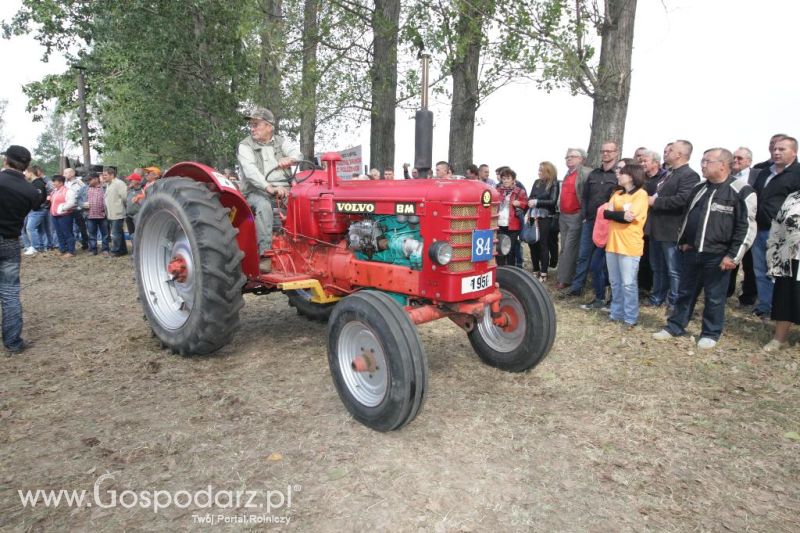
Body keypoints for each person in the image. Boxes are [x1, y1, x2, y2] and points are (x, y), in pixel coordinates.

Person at [653, 148, 756, 349]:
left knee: (715, 297)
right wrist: (684, 240)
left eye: (708, 161)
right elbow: (688, 215)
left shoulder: (742, 191)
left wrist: (733, 255)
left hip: (719, 255)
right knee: (685, 292)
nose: (703, 164)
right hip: (692, 251)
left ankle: (710, 332)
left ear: (723, 165)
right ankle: (675, 325)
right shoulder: (699, 188)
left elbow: (746, 227)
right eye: (702, 160)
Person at [237, 107, 302, 260]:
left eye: (256, 124)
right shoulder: (245, 145)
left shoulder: (280, 141)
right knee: (264, 206)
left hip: (284, 189)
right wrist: (270, 188)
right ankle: (265, 254)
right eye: (251, 125)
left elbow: (298, 154)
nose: (252, 128)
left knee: (303, 204)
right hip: (256, 190)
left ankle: (301, 248)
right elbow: (251, 172)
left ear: (269, 126)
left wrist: (290, 160)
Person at [646, 140, 701, 313]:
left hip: (671, 230)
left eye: (671, 150)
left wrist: (656, 201)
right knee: (657, 267)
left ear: (680, 154)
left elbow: (684, 199)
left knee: (674, 270)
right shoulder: (668, 173)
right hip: (656, 228)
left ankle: (675, 303)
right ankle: (657, 297)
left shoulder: (689, 175)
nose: (666, 152)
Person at [750, 136, 800, 318]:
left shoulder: (798, 174)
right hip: (760, 228)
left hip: (784, 233)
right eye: (774, 149)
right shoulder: (764, 172)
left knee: (780, 273)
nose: (776, 152)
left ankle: (780, 311)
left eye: (782, 149)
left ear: (794, 152)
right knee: (760, 270)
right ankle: (765, 306)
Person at [566, 141, 619, 309]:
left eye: (609, 151)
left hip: (609, 223)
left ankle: (605, 294)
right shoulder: (594, 174)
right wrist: (584, 215)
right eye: (603, 151)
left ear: (616, 153)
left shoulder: (617, 175)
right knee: (583, 255)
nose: (606, 154)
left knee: (603, 262)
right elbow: (586, 196)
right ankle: (576, 288)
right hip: (590, 221)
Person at [0, 146, 41, 353]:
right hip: (10, 241)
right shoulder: (30, 191)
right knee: (10, 294)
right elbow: (37, 205)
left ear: (6, 160)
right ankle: (13, 343)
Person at [603, 163, 649, 328]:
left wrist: (615, 214)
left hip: (630, 245)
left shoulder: (641, 195)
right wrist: (619, 214)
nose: (618, 175)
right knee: (615, 281)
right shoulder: (616, 194)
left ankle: (630, 317)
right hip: (612, 244)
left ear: (631, 176)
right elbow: (605, 213)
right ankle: (616, 313)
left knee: (628, 283)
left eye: (621, 173)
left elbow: (629, 217)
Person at [763, 190, 800, 351]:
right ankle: (779, 339)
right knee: (785, 297)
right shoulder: (794, 197)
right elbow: (778, 223)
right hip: (788, 255)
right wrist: (773, 247)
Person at [555, 148, 592, 289]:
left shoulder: (586, 173)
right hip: (564, 215)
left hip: (576, 215)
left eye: (572, 156)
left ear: (581, 159)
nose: (568, 159)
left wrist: (584, 214)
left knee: (570, 247)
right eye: (567, 157)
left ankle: (565, 279)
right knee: (564, 247)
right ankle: (563, 276)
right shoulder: (567, 174)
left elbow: (587, 195)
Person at [728, 147, 757, 304]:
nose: (736, 161)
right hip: (730, 226)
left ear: (749, 161)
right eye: (734, 157)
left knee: (750, 265)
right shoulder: (728, 177)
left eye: (740, 158)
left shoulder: (757, 176)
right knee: (730, 260)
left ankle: (748, 297)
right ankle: (727, 292)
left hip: (749, 226)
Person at [527, 161, 560, 282]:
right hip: (533, 215)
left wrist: (537, 202)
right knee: (532, 243)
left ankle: (544, 272)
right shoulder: (536, 182)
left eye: (541, 170)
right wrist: (531, 201)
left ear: (548, 171)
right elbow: (531, 196)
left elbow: (553, 201)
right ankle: (535, 269)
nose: (539, 172)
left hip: (545, 217)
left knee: (543, 244)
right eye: (539, 170)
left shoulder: (554, 183)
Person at [496, 168, 528, 266]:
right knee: (499, 249)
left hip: (513, 225)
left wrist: (520, 203)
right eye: (503, 178)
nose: (505, 180)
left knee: (510, 250)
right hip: (499, 224)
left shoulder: (519, 191)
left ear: (513, 179)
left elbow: (526, 204)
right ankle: (500, 271)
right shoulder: (497, 190)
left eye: (508, 178)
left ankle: (510, 271)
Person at [102, 167, 128, 256]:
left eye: (105, 175)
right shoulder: (109, 184)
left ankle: (115, 251)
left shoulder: (119, 183)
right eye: (103, 175)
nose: (103, 177)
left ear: (112, 175)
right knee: (119, 233)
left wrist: (122, 208)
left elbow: (125, 197)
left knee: (115, 233)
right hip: (110, 213)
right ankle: (123, 250)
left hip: (117, 212)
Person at [49, 175, 77, 257]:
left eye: (55, 181)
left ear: (61, 182)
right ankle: (62, 249)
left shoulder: (68, 191)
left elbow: (71, 202)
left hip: (65, 215)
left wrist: (62, 208)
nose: (53, 183)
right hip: (54, 215)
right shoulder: (54, 191)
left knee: (67, 232)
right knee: (59, 233)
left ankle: (71, 250)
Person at [24, 168, 50, 256]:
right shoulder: (35, 183)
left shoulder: (38, 183)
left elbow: (40, 198)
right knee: (40, 230)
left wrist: (33, 207)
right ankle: (41, 247)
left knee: (30, 228)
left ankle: (35, 247)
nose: (25, 175)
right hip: (37, 209)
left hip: (38, 210)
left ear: (30, 173)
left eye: (26, 173)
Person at [84, 173, 110, 255]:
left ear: (96, 179)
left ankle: (105, 249)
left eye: (90, 180)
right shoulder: (86, 188)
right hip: (90, 215)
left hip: (102, 215)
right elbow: (79, 199)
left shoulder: (104, 188)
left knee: (105, 234)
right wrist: (82, 204)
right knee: (91, 234)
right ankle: (93, 250)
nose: (88, 182)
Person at [64, 168, 89, 250]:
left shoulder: (80, 183)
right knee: (68, 227)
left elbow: (85, 194)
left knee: (82, 227)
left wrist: (81, 205)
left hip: (78, 209)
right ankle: (70, 244)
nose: (64, 175)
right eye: (64, 173)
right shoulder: (64, 183)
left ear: (72, 173)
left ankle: (85, 243)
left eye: (66, 173)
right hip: (68, 208)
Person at [125, 173, 143, 249]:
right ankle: (134, 250)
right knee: (131, 234)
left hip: (138, 216)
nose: (129, 181)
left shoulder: (143, 191)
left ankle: (140, 251)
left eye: (131, 180)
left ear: (137, 181)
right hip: (129, 216)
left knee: (139, 235)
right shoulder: (129, 191)